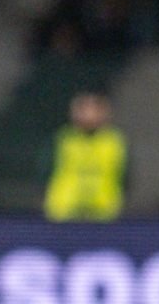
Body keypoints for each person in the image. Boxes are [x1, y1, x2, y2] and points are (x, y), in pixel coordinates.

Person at [43, 91, 128, 221]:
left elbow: (125, 175)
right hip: (64, 211)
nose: (89, 115)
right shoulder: (63, 139)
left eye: (95, 110)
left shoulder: (114, 142)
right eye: (84, 110)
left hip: (104, 213)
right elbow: (44, 170)